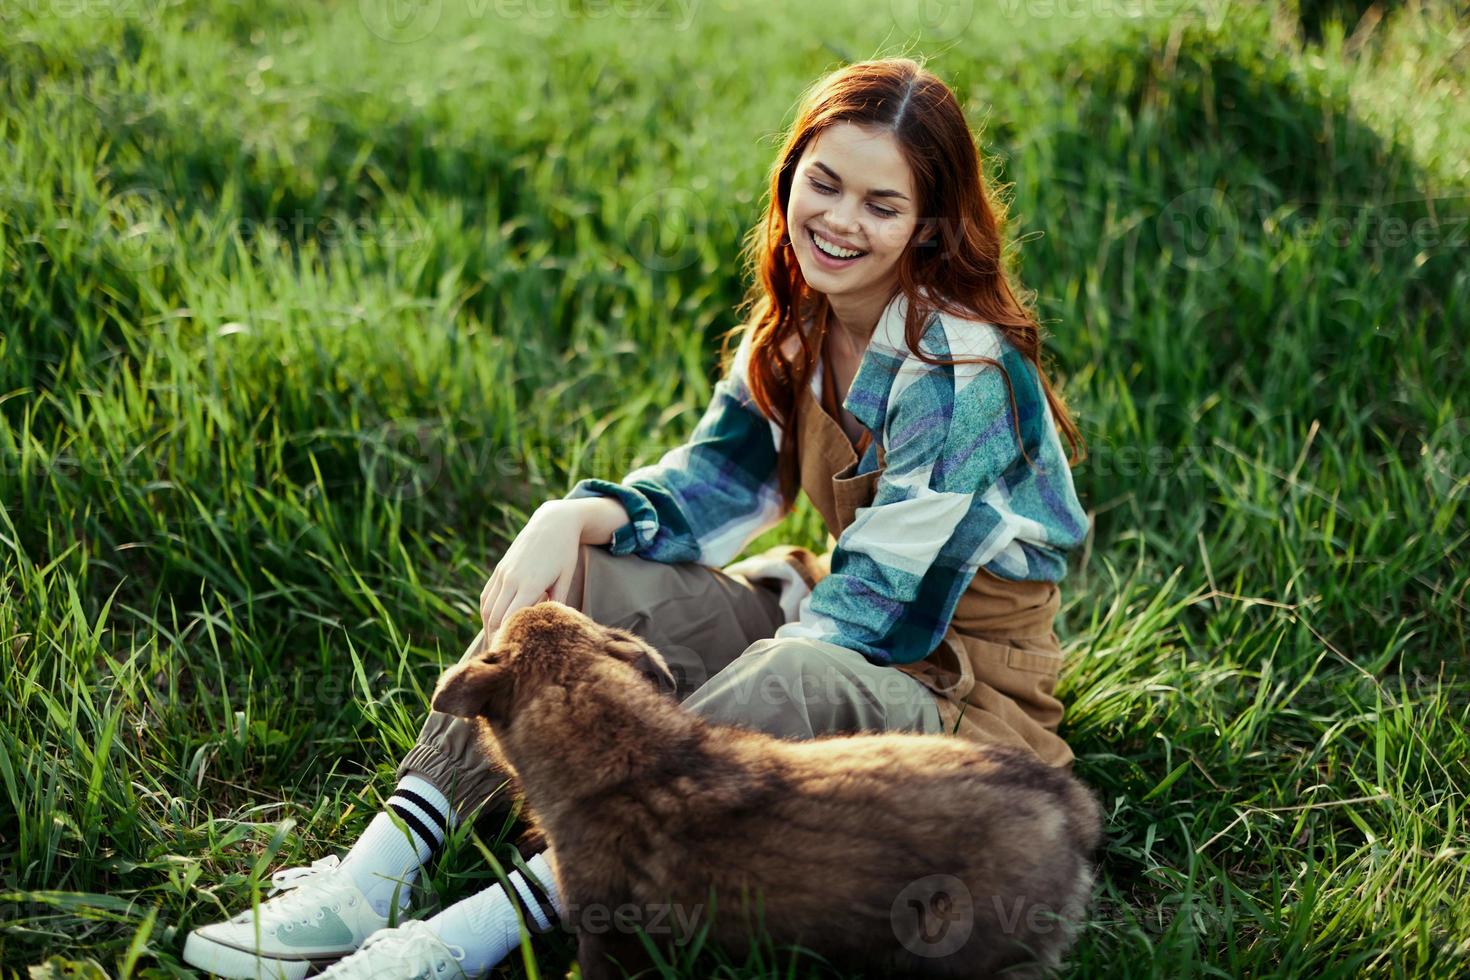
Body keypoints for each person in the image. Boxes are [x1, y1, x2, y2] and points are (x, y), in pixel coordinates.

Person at [180, 55, 1090, 979]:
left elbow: (883, 614)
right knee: (571, 597)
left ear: (929, 225)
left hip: (957, 685)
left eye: (881, 204)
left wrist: (640, 740)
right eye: (824, 182)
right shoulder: (799, 329)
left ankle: (475, 931)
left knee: (790, 669)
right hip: (835, 618)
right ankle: (377, 873)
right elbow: (714, 488)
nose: (841, 220)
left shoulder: (960, 372)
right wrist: (572, 516)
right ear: (792, 177)